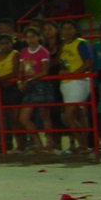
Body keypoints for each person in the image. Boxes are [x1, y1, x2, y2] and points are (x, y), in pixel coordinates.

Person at [55, 20, 94, 153]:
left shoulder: (81, 43)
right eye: (64, 29)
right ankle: (83, 144)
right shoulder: (63, 45)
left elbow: (88, 63)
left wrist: (74, 74)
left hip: (78, 81)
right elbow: (64, 63)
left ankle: (83, 145)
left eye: (70, 28)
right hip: (66, 83)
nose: (67, 32)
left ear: (75, 30)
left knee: (68, 116)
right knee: (78, 114)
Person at [17, 25, 56, 152]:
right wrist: (20, 80)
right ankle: (38, 142)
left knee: (44, 115)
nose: (30, 40)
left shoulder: (43, 51)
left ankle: (49, 142)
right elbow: (21, 69)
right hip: (30, 84)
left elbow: (45, 71)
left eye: (32, 37)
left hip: (40, 84)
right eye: (28, 37)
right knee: (24, 117)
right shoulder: (24, 52)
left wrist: (30, 79)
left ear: (38, 37)